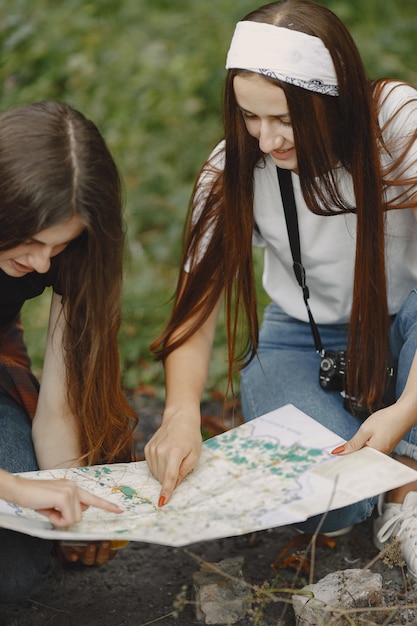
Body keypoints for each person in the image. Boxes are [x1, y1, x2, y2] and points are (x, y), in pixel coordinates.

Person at [145, 0, 417, 579]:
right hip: (302, 338)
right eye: (250, 117)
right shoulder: (231, 170)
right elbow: (195, 312)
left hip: (407, 323)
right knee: (336, 497)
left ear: (332, 101)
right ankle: (379, 490)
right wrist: (179, 413)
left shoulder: (393, 119)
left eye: (286, 120)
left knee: (389, 448)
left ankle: (404, 498)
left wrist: (406, 412)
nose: (266, 140)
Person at [0, 100, 137, 602]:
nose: (41, 264)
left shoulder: (71, 250)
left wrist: (72, 496)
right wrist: (14, 489)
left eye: (56, 247)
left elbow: (59, 405)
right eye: (30, 242)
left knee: (18, 572)